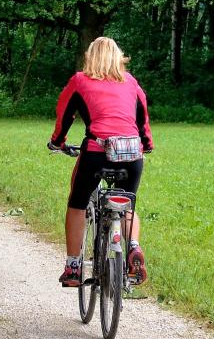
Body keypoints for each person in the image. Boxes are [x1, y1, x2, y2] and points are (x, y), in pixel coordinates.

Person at [48, 37, 153, 287]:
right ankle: (133, 247)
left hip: (97, 151)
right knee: (126, 203)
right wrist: (146, 145)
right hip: (131, 154)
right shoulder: (131, 83)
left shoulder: (80, 81)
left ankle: (73, 267)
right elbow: (143, 119)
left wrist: (57, 142)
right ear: (119, 58)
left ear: (90, 57)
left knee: (77, 203)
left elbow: (64, 115)